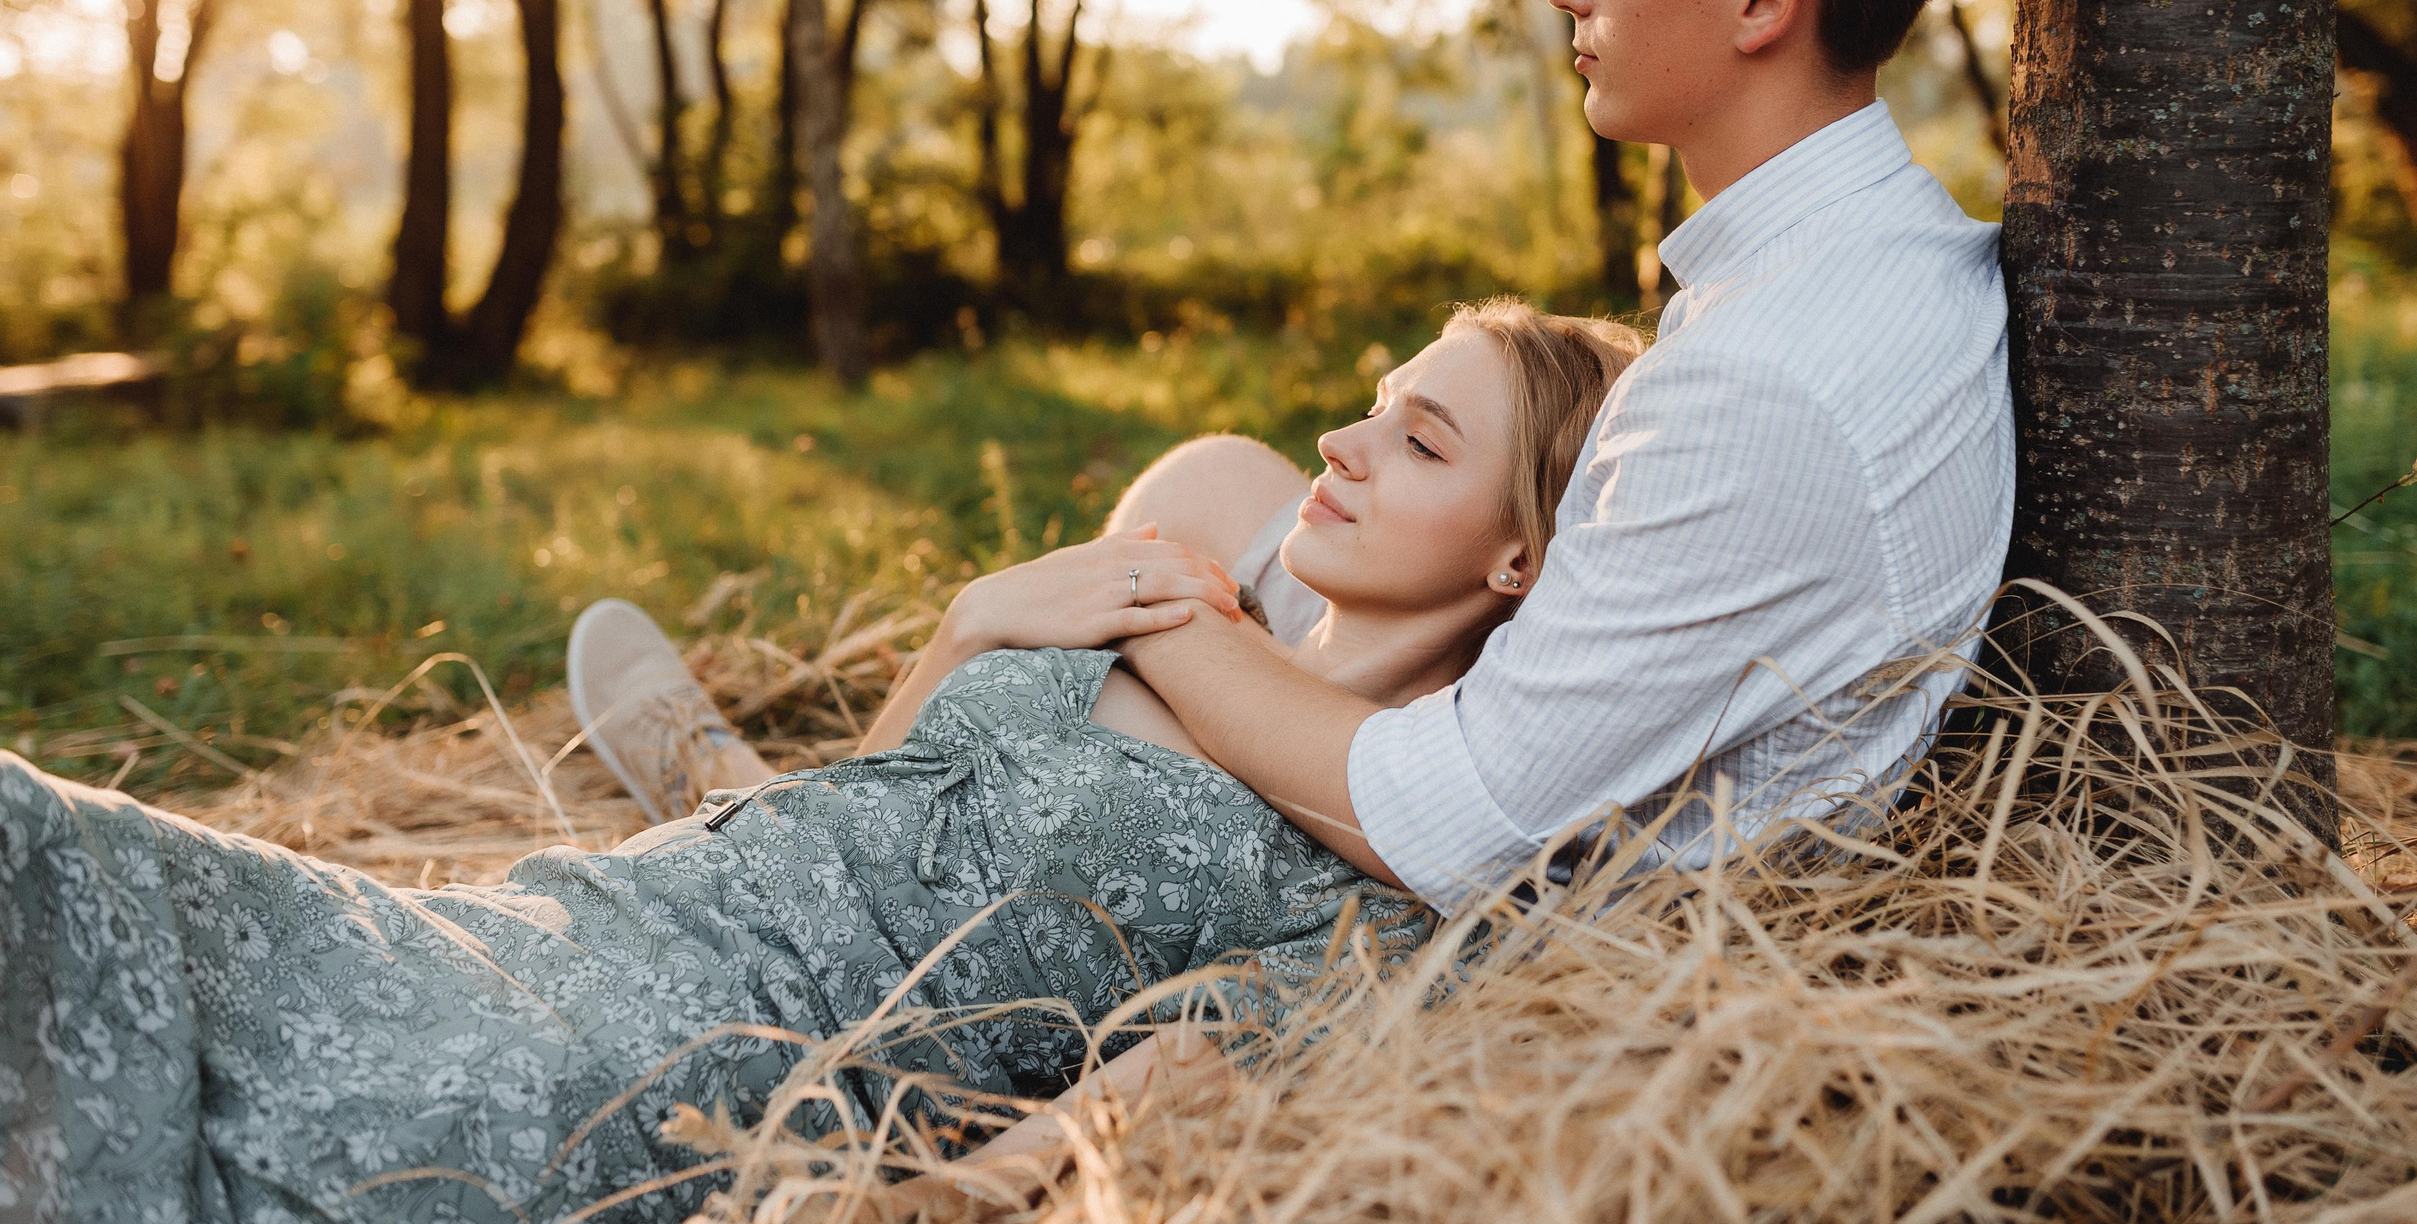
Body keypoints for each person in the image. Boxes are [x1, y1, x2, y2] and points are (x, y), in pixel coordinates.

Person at [0, 301, 1640, 1224]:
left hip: (629, 1061)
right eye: (1374, 400)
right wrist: (966, 628)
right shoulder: (1179, 592)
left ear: (1522, 563)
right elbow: (873, 801)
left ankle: (700, 763)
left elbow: (1101, 1129)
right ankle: (706, 771)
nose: (1347, 443)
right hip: (581, 913)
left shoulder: (1388, 863)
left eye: (1422, 439)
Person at [1066, 0, 2014, 915]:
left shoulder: (1761, 378)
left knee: (1092, 683)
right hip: (1559, 748)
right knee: (1209, 493)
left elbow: (1456, 824)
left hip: (1514, 915)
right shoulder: (1882, 253)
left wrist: (1161, 620)